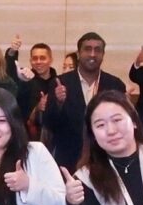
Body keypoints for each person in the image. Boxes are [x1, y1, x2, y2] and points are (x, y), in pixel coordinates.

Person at [41, 30, 121, 169]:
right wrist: (58, 103)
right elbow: (49, 124)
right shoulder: (60, 83)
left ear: (103, 54)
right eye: (87, 49)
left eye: (97, 50)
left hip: (106, 160)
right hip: (68, 160)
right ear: (78, 54)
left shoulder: (114, 84)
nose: (92, 54)